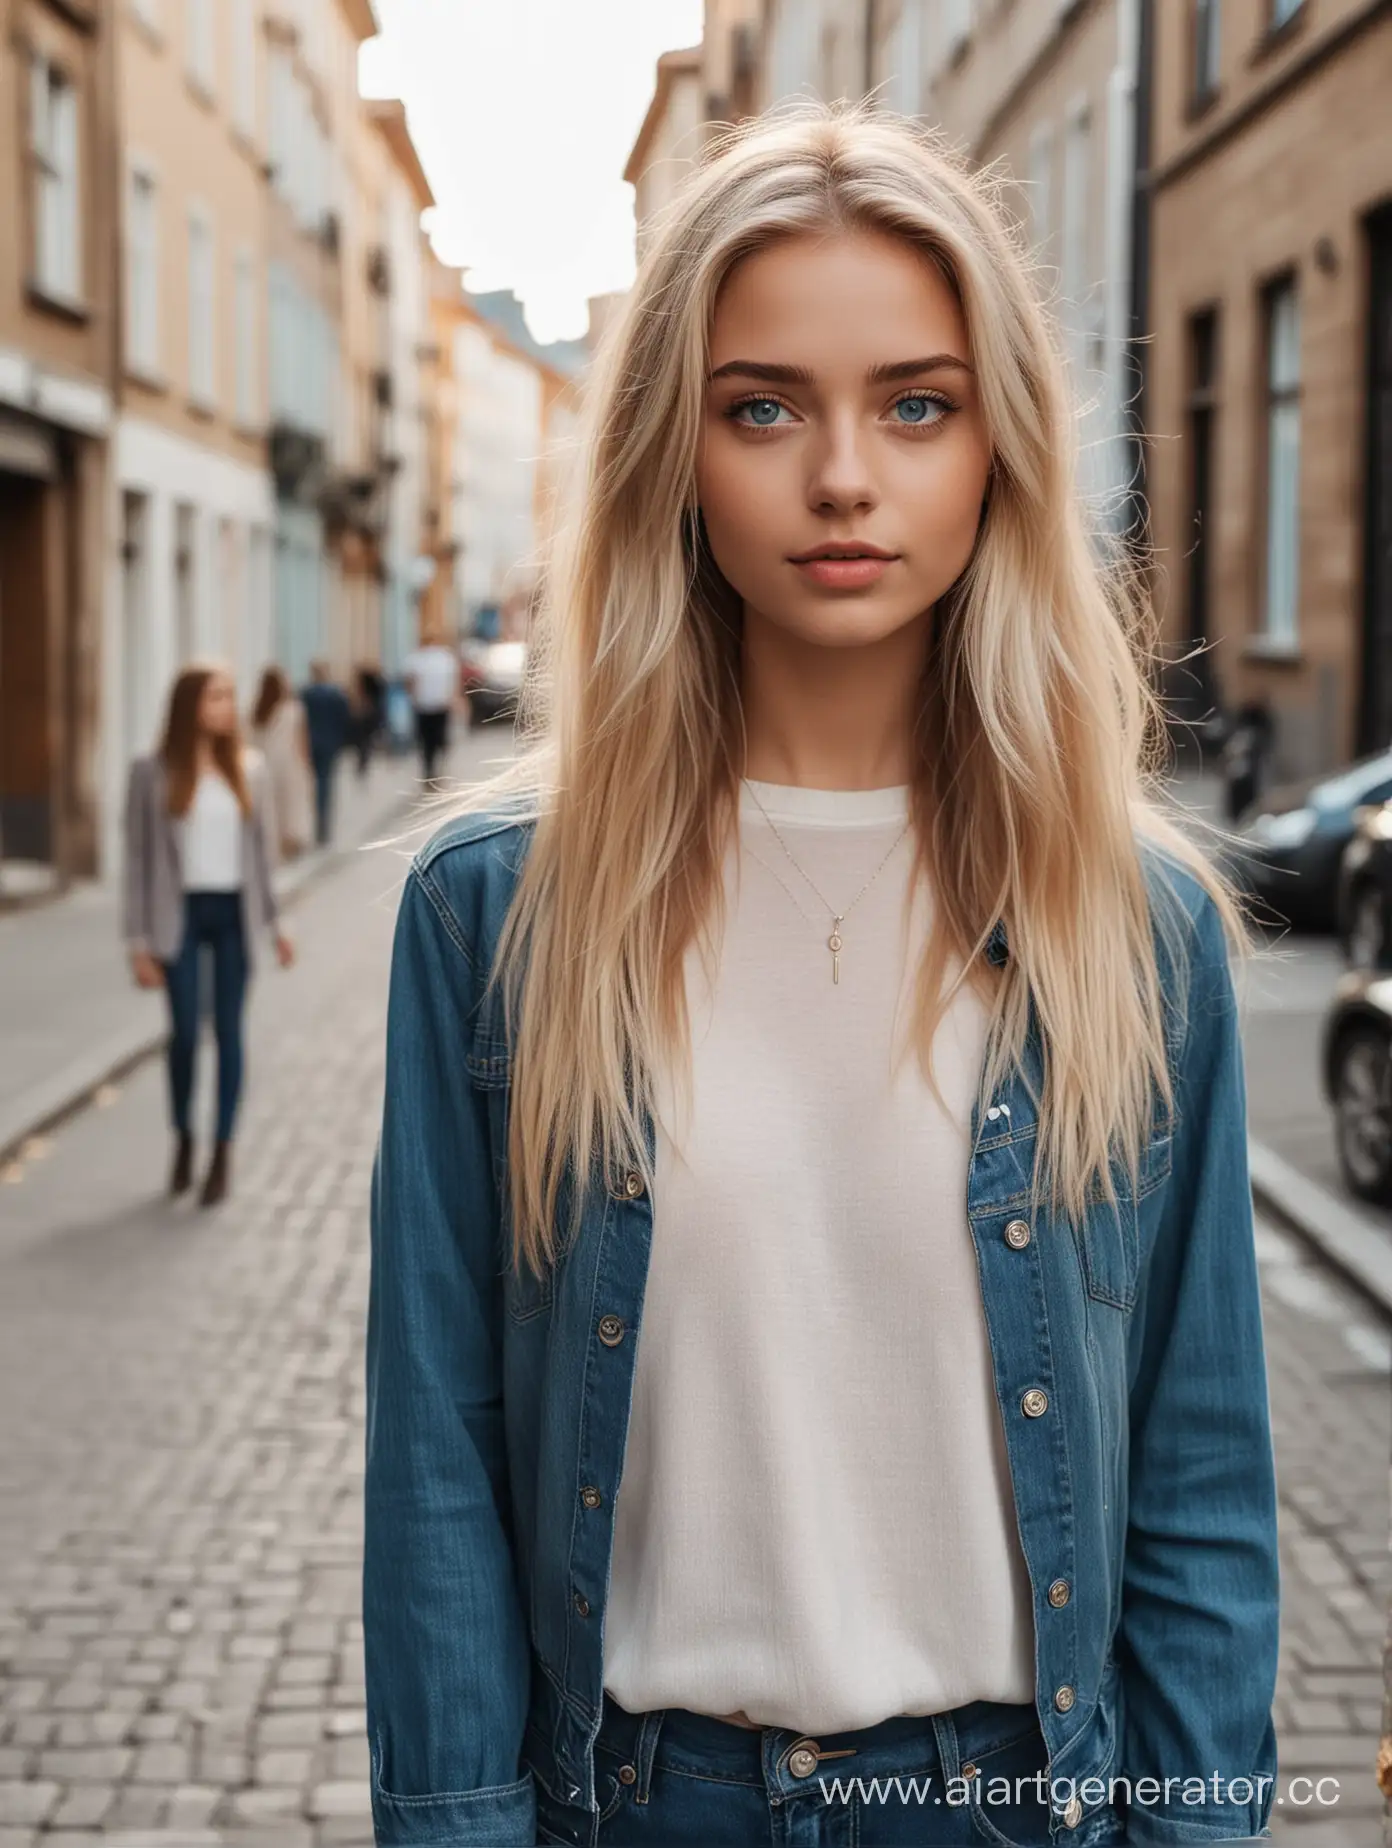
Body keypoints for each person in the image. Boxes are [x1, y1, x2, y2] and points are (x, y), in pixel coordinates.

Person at [364, 108, 1279, 1848]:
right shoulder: (497, 919)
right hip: (641, 1804)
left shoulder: (1130, 924)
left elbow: (1203, 1483)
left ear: (994, 447)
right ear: (673, 454)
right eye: (762, 405)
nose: (842, 475)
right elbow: (439, 1464)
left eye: (914, 405)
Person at [124, 663, 294, 1208]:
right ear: (189, 704)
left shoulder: (250, 768)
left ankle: (222, 1151)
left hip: (233, 916)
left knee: (229, 1033)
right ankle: (183, 1137)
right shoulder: (151, 772)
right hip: (179, 917)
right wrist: (137, 942)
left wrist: (277, 925)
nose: (226, 705)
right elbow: (137, 860)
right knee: (183, 1036)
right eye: (215, 695)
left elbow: (262, 858)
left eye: (228, 695)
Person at [249, 665, 313, 859]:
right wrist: (306, 766)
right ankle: (289, 843)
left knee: (271, 806)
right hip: (288, 763)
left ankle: (273, 844)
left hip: (264, 762)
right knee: (291, 804)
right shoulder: (292, 709)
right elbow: (301, 741)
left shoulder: (256, 710)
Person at [299, 660, 351, 846]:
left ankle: (319, 823)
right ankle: (324, 824)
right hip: (330, 743)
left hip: (313, 743)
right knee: (326, 783)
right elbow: (345, 719)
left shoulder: (306, 694)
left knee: (316, 783)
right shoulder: (335, 694)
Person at [403, 627, 457, 783]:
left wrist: (413, 697)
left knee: (428, 740)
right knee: (436, 739)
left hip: (426, 705)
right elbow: (452, 682)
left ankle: (431, 769)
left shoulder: (418, 658)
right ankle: (434, 768)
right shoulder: (445, 657)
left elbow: (410, 682)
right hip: (437, 704)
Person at [351, 661, 387, 780]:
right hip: (372, 718)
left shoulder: (369, 689)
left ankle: (363, 761)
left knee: (364, 742)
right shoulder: (379, 687)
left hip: (366, 718)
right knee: (367, 741)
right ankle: (363, 760)